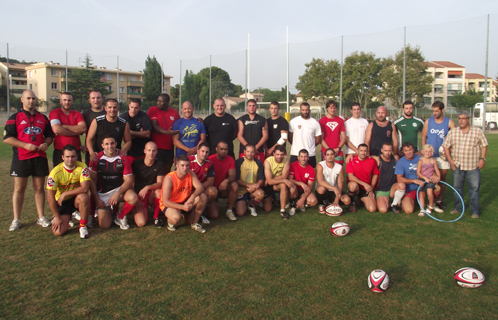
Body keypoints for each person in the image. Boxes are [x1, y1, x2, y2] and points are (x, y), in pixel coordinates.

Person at [4, 90, 54, 231]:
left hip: (39, 158)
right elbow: (7, 138)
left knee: (39, 188)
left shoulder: (42, 118)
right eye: (28, 98)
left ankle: (41, 217)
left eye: (33, 98)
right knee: (19, 189)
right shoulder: (15, 117)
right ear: (22, 100)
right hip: (21, 158)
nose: (31, 101)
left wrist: (46, 144)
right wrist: (25, 145)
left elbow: (49, 135)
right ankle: (16, 219)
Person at [443, 111, 488, 218]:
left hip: (473, 166)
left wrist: (482, 159)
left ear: (468, 119)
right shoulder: (453, 132)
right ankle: (458, 208)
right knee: (457, 188)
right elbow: (446, 146)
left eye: (463, 118)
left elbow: (484, 145)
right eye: (459, 118)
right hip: (458, 165)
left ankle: (475, 211)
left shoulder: (477, 131)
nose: (461, 120)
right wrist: (450, 160)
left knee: (474, 189)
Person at [89, 135, 139, 230]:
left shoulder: (123, 157)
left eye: (112, 143)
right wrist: (96, 198)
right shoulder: (97, 158)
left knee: (133, 197)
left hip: (118, 191)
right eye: (106, 144)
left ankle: (119, 217)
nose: (110, 146)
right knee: (105, 225)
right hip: (103, 194)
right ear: (102, 145)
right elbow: (91, 180)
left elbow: (129, 180)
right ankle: (101, 212)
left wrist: (117, 194)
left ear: (116, 144)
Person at [46, 145, 91, 238]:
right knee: (58, 232)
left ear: (77, 157)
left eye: (73, 156)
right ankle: (69, 216)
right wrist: (57, 217)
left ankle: (83, 226)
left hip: (76, 199)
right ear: (62, 157)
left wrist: (66, 193)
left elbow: (85, 188)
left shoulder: (82, 166)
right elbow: (50, 197)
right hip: (63, 202)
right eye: (67, 157)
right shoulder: (55, 172)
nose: (70, 159)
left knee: (84, 197)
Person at [421, 101, 456, 210]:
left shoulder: (449, 122)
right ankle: (430, 202)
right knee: (429, 179)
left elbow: (454, 140)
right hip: (430, 156)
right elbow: (423, 137)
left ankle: (439, 201)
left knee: (442, 179)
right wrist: (424, 153)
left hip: (443, 157)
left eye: (437, 111)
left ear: (442, 110)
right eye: (433, 111)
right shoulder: (428, 121)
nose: (434, 113)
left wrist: (449, 153)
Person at [159, 155, 207, 233]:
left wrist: (192, 197)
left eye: (187, 165)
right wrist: (182, 207)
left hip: (185, 201)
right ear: (176, 166)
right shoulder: (169, 178)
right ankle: (170, 223)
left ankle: (195, 223)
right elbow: (165, 202)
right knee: (176, 219)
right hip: (171, 203)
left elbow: (200, 187)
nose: (185, 168)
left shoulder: (190, 173)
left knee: (203, 197)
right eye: (182, 165)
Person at [131, 141, 166, 227]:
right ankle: (134, 208)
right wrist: (136, 199)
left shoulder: (160, 164)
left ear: (157, 152)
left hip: (151, 194)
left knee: (159, 192)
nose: (151, 153)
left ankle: (156, 217)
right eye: (149, 150)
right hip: (140, 195)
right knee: (141, 223)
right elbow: (130, 184)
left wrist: (147, 187)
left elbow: (160, 183)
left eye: (154, 151)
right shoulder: (136, 164)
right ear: (144, 151)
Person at [86, 98, 131, 163]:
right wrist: (91, 152)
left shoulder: (124, 123)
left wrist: (124, 151)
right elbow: (89, 139)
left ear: (118, 109)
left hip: (115, 158)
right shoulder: (97, 121)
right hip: (99, 157)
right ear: (105, 108)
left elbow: (128, 141)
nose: (112, 110)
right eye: (110, 107)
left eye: (114, 107)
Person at [49, 92, 86, 166]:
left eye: (69, 100)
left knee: (76, 175)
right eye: (64, 100)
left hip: (75, 151)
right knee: (59, 176)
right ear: (60, 101)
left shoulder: (77, 114)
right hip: (60, 150)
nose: (67, 102)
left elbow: (83, 128)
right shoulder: (54, 112)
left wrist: (64, 126)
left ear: (72, 101)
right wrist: (76, 132)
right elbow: (56, 129)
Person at [147, 93, 181, 171]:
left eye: (161, 101)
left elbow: (182, 124)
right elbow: (154, 126)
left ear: (168, 102)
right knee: (157, 171)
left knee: (167, 170)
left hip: (170, 148)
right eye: (158, 101)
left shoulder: (174, 113)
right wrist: (168, 132)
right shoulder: (153, 110)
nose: (159, 103)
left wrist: (198, 120)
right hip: (157, 147)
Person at [263, 145, 297, 219]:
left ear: (284, 154)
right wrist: (283, 180)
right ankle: (265, 199)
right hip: (267, 185)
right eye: (277, 154)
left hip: (277, 183)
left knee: (284, 185)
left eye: (281, 155)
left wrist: (273, 179)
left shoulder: (286, 159)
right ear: (273, 154)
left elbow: (284, 176)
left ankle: (283, 210)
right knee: (268, 209)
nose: (279, 157)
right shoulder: (268, 161)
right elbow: (269, 182)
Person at [207, 141, 238, 221]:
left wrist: (226, 181)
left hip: (222, 188)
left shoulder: (230, 159)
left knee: (234, 185)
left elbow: (233, 176)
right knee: (214, 215)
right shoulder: (210, 159)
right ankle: (205, 208)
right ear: (216, 149)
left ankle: (229, 211)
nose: (223, 151)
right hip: (212, 190)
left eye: (225, 149)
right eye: (221, 149)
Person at [371, 142, 405, 214]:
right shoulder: (378, 160)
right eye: (385, 151)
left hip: (392, 188)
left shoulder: (395, 159)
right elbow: (366, 158)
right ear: (382, 150)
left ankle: (394, 204)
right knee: (383, 210)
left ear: (392, 150)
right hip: (381, 190)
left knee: (402, 185)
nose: (387, 153)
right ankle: (389, 201)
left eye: (389, 151)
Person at [188, 142, 217, 224]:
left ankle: (202, 211)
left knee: (213, 191)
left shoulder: (210, 163)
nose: (204, 154)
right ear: (197, 151)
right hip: (189, 190)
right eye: (202, 151)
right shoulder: (189, 160)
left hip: (202, 189)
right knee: (189, 221)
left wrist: (199, 189)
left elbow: (210, 181)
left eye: (207, 152)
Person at [315, 148, 351, 214]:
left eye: (332, 154)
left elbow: (340, 185)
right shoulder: (320, 165)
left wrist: (337, 199)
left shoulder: (339, 167)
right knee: (321, 189)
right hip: (324, 189)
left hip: (334, 192)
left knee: (347, 201)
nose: (330, 156)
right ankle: (322, 203)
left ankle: (330, 201)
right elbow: (320, 182)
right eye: (328, 155)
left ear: (335, 156)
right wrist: (334, 188)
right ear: (325, 156)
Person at [235, 144, 266, 218]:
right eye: (248, 152)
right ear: (244, 152)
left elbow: (261, 179)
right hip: (241, 190)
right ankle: (241, 202)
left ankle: (251, 206)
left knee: (261, 193)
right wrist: (250, 186)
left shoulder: (258, 163)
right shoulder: (238, 162)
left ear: (255, 152)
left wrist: (256, 186)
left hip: (253, 189)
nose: (250, 154)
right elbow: (237, 180)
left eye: (252, 152)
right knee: (240, 213)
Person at [346, 144, 379, 213]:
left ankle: (361, 199)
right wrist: (364, 184)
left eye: (365, 151)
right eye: (361, 151)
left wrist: (371, 188)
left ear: (367, 152)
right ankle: (352, 203)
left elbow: (375, 175)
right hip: (356, 185)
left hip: (366, 188)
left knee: (372, 209)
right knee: (353, 186)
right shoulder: (351, 160)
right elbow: (350, 177)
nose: (363, 153)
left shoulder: (372, 161)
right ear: (357, 151)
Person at [288, 102, 322, 168]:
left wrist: (310, 145)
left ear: (309, 110)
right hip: (295, 153)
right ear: (300, 110)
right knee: (293, 175)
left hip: (310, 154)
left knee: (310, 174)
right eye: (303, 110)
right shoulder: (293, 122)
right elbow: (290, 138)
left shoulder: (315, 123)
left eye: (306, 110)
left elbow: (318, 140)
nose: (305, 112)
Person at [394, 142, 425, 214]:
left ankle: (432, 205)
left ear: (413, 149)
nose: (408, 152)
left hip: (421, 188)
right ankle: (403, 200)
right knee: (409, 210)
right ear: (403, 151)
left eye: (410, 150)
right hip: (409, 189)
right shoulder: (401, 162)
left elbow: (430, 167)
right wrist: (414, 181)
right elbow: (399, 179)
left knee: (437, 188)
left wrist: (434, 175)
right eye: (406, 150)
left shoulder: (420, 158)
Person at [288, 149, 318, 215]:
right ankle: (292, 205)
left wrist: (303, 199)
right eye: (301, 156)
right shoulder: (292, 165)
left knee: (313, 201)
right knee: (292, 188)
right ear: (298, 157)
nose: (303, 159)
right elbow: (289, 179)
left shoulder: (311, 170)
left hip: (304, 190)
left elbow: (309, 187)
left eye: (305, 157)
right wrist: (301, 183)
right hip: (294, 187)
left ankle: (301, 202)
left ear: (308, 158)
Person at [416, 144, 443, 217]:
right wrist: (425, 178)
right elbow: (418, 172)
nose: (428, 153)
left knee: (430, 191)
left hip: (430, 179)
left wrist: (438, 177)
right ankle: (422, 210)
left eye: (430, 152)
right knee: (421, 194)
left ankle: (430, 206)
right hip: (422, 179)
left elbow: (437, 170)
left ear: (432, 152)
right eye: (426, 151)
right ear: (423, 152)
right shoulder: (421, 161)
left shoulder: (433, 161)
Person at [82, 91, 106, 165]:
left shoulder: (108, 113)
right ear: (89, 100)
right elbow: (79, 131)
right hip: (91, 150)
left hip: (107, 149)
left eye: (98, 98)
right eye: (93, 98)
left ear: (102, 99)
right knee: (91, 174)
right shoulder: (85, 115)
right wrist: (80, 145)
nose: (96, 100)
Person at [319, 100, 346, 164]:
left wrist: (338, 148)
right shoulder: (322, 121)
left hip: (338, 151)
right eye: (331, 108)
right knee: (326, 171)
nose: (333, 110)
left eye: (334, 108)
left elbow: (344, 137)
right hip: (326, 151)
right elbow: (321, 138)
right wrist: (329, 150)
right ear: (327, 108)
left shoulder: (340, 120)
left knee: (339, 171)